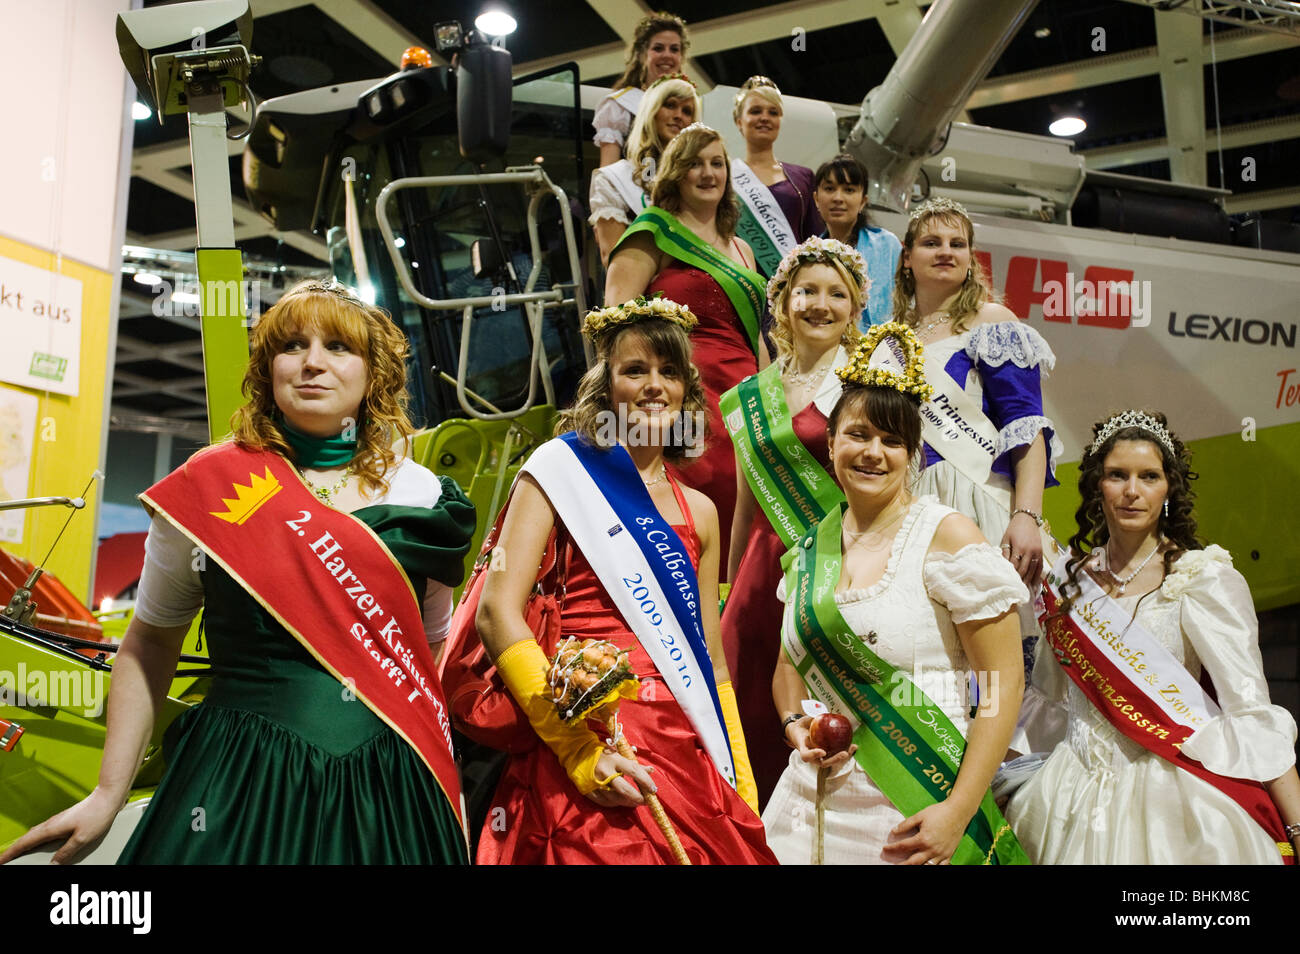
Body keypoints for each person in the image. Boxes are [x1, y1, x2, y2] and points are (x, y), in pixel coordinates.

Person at [0, 280, 475, 865]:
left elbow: (429, 650)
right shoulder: (210, 484)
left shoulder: (423, 494)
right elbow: (148, 643)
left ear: (374, 372)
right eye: (293, 345)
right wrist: (107, 792)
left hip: (388, 783)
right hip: (242, 774)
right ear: (268, 367)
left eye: (339, 347)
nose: (313, 364)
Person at [473, 296, 776, 864]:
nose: (653, 386)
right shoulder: (557, 472)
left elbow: (709, 655)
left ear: (688, 389)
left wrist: (739, 772)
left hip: (686, 735)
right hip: (586, 723)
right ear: (605, 386)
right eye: (634, 370)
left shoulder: (701, 511)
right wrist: (577, 750)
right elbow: (496, 611)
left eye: (669, 372)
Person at [761, 324, 1029, 865]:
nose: (873, 453)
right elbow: (788, 666)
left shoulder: (948, 535)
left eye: (892, 441)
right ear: (832, 441)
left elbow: (1000, 686)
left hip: (917, 804)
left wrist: (959, 809)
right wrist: (796, 727)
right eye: (859, 434)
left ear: (914, 455)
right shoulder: (811, 548)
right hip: (808, 805)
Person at [1005, 410, 1300, 864]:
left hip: (1174, 789)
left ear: (1168, 490)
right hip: (1068, 790)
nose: (1132, 490)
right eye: (1116, 475)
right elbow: (1048, 702)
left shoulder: (1204, 579)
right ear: (1096, 488)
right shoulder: (1068, 583)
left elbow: (1250, 710)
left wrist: (1296, 825)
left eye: (1149, 477)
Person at [719, 237, 866, 807]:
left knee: (831, 717)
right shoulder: (747, 397)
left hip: (841, 566)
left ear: (854, 309)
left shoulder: (867, 385)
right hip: (761, 576)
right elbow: (746, 502)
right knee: (750, 716)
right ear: (783, 303)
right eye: (806, 291)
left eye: (836, 294)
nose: (819, 305)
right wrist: (731, 587)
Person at [895, 196, 1062, 676]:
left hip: (979, 496)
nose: (945, 251)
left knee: (997, 655)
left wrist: (1026, 516)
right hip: (912, 506)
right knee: (931, 652)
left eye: (957, 243)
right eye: (931, 242)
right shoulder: (889, 338)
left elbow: (1026, 427)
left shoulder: (992, 323)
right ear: (907, 257)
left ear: (971, 258)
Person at [605, 123, 768, 562]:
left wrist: (774, 396)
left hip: (745, 398)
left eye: (717, 164)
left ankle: (735, 615)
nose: (708, 173)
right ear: (675, 172)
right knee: (698, 497)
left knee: (752, 503)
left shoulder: (742, 250)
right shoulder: (653, 231)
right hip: (685, 394)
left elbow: (754, 335)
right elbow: (613, 326)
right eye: (695, 163)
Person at [589, 72, 701, 265]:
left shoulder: (700, 177)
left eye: (687, 111)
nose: (678, 116)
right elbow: (614, 260)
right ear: (651, 111)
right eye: (670, 105)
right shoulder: (614, 179)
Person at [730, 76, 824, 277]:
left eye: (773, 112)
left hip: (792, 287)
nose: (764, 117)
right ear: (739, 121)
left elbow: (816, 238)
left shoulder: (803, 177)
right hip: (741, 283)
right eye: (755, 111)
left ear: (780, 121)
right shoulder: (725, 176)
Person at [813, 153, 901, 328]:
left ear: (863, 201)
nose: (838, 198)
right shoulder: (807, 255)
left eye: (849, 190)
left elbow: (909, 302)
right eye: (829, 189)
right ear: (816, 199)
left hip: (881, 348)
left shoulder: (888, 245)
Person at [592, 12, 688, 168]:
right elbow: (607, 174)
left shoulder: (687, 109)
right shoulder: (621, 106)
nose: (667, 55)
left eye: (674, 49)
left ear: (681, 56)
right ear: (643, 54)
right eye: (658, 48)